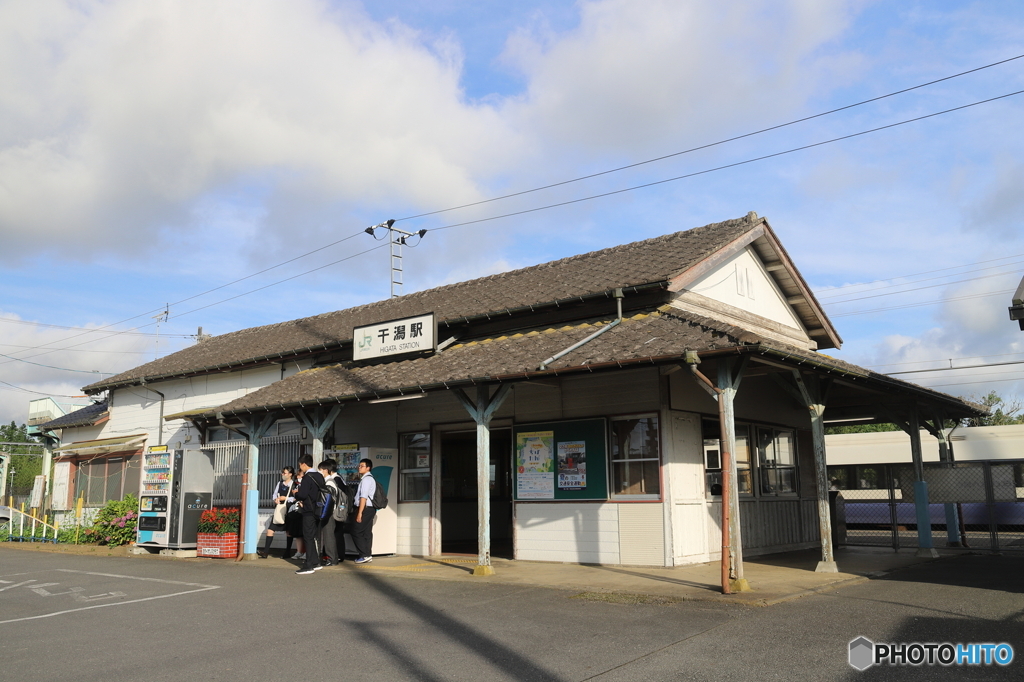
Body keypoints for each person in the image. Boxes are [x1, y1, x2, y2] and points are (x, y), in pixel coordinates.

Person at [292, 454, 326, 575]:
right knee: (313, 536)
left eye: (300, 466)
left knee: (308, 536)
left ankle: (308, 565)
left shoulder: (307, 477)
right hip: (319, 510)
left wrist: (296, 493)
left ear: (304, 464)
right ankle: (316, 562)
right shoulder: (319, 476)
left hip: (309, 510)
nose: (300, 468)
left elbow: (303, 495)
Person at [257, 466, 294, 559]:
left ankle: (287, 552)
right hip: (279, 509)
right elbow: (274, 494)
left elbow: (296, 497)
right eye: (282, 473)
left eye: (284, 473)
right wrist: (276, 499)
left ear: (290, 474)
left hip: (289, 509)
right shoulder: (280, 483)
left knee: (288, 531)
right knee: (270, 529)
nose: (282, 474)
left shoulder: (294, 484)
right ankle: (266, 551)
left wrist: (286, 498)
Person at [318, 459, 342, 566]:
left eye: (321, 470)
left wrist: (324, 514)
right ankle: (332, 558)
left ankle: (332, 559)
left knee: (329, 537)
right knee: (328, 536)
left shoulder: (330, 482)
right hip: (328, 513)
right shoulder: (328, 482)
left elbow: (329, 500)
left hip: (329, 513)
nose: (319, 472)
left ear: (326, 470)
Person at [352, 458, 377, 564]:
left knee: (356, 531)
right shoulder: (369, 479)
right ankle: (367, 554)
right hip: (370, 509)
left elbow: (363, 497)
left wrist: (360, 513)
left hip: (366, 509)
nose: (359, 467)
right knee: (366, 532)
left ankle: (364, 554)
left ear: (368, 468)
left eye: (362, 466)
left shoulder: (367, 480)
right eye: (359, 465)